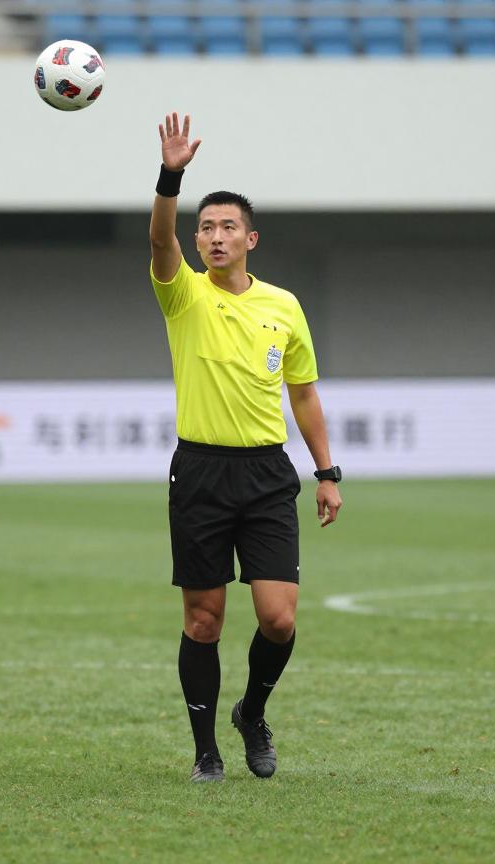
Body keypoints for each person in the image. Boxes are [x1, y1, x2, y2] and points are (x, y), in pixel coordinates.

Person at [149, 113, 343, 782]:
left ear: (250, 239)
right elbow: (159, 238)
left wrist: (326, 472)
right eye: (205, 227)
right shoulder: (182, 294)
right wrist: (170, 175)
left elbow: (305, 395)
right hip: (200, 471)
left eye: (228, 227)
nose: (214, 236)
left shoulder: (284, 306)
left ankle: (251, 713)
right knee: (204, 621)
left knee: (279, 619)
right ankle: (206, 751)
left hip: (266, 473)